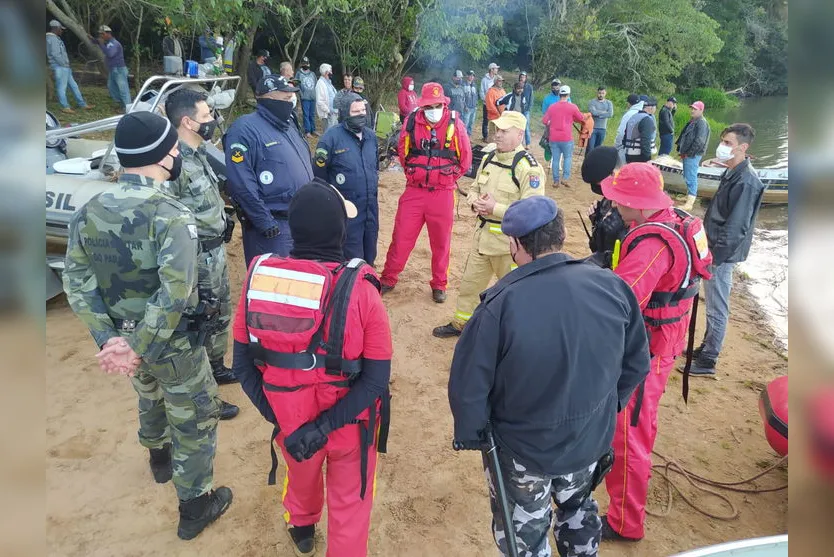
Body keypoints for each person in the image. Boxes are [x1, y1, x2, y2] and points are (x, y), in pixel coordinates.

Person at [448, 195, 651, 557]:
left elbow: (469, 385)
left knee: (525, 530)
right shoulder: (612, 286)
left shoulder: (499, 305)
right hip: (589, 439)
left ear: (514, 244)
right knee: (578, 509)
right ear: (562, 234)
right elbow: (636, 360)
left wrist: (474, 435)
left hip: (524, 449)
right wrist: (609, 408)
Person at [63, 111, 232, 540]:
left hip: (123, 340)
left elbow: (77, 283)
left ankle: (158, 459)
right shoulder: (171, 215)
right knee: (193, 416)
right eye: (172, 148)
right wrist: (137, 344)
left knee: (148, 394)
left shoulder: (89, 211)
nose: (177, 152)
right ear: (162, 156)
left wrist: (110, 339)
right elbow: (175, 293)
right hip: (170, 344)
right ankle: (195, 505)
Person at [232, 178, 392, 557]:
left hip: (289, 414)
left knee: (300, 474)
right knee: (351, 503)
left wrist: (285, 420)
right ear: (340, 230)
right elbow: (375, 380)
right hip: (350, 422)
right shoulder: (364, 291)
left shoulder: (260, 280)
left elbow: (242, 365)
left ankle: (302, 526)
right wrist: (323, 427)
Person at [598, 163, 712, 543]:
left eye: (617, 199)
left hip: (648, 349)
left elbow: (621, 300)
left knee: (628, 434)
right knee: (640, 424)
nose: (611, 204)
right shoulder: (674, 219)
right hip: (669, 337)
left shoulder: (653, 244)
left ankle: (625, 523)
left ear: (637, 203)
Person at [164, 89, 242, 418]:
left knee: (220, 315)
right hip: (196, 258)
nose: (212, 120)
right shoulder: (174, 163)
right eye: (207, 115)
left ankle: (215, 367)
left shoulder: (199, 154)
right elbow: (169, 217)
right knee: (200, 322)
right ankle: (203, 398)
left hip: (215, 253)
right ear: (188, 121)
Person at [432, 111, 545, 338]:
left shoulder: (529, 169)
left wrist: (496, 209)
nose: (497, 135)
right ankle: (461, 324)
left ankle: (514, 337)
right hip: (481, 237)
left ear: (519, 134)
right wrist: (475, 202)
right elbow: (474, 188)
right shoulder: (489, 157)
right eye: (496, 130)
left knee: (514, 294)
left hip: (510, 246)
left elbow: (532, 212)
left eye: (504, 131)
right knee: (469, 285)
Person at [380, 82, 472, 303]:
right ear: (422, 106)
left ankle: (439, 284)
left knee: (441, 243)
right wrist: (417, 176)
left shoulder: (455, 125)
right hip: (415, 192)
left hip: (442, 193)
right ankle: (388, 278)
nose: (433, 111)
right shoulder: (411, 123)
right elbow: (404, 154)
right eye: (429, 106)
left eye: (437, 106)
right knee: (401, 238)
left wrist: (447, 178)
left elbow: (465, 160)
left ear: (444, 104)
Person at [690, 124, 766, 377]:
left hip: (722, 254)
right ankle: (705, 347)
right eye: (722, 141)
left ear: (743, 148)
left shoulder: (747, 181)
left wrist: (715, 258)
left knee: (716, 306)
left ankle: (709, 359)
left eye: (728, 143)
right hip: (712, 247)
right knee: (712, 303)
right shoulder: (733, 171)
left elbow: (736, 228)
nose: (722, 146)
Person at [224, 75, 314, 267]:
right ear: (268, 98)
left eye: (291, 98)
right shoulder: (245, 129)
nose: (290, 102)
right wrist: (264, 221)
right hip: (274, 226)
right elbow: (241, 181)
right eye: (285, 98)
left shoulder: (289, 125)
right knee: (274, 286)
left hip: (300, 221)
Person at [314, 92, 379, 264]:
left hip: (370, 208)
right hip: (347, 211)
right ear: (344, 113)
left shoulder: (371, 137)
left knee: (370, 252)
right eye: (355, 112)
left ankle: (366, 286)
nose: (361, 115)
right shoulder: (330, 139)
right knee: (350, 256)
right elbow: (319, 178)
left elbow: (375, 170)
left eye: (363, 110)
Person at [542, 84, 584, 187]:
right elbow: (581, 118)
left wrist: (551, 123)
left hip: (554, 137)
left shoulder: (552, 107)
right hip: (566, 137)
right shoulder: (572, 107)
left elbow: (544, 120)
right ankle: (565, 178)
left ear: (560, 94)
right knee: (568, 157)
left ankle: (556, 181)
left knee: (555, 159)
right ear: (568, 95)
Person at [47, 19, 92, 113]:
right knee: (62, 87)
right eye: (61, 29)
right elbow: (56, 54)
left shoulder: (54, 39)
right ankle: (65, 107)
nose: (62, 31)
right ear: (56, 28)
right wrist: (64, 64)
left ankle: (82, 104)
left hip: (64, 67)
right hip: (60, 67)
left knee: (74, 86)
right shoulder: (53, 39)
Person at [676, 100, 711, 210]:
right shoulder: (693, 121)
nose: (692, 110)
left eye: (695, 109)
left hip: (693, 154)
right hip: (688, 153)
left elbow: (700, 141)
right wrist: (680, 149)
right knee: (687, 175)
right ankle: (688, 196)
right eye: (692, 108)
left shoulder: (701, 123)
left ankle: (689, 204)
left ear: (701, 110)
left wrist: (689, 154)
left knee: (691, 176)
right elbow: (685, 136)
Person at [94, 25, 131, 111]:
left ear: (108, 33)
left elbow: (110, 54)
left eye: (102, 34)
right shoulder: (109, 43)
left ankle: (128, 109)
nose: (101, 36)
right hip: (113, 70)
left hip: (119, 70)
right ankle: (123, 105)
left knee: (123, 90)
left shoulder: (114, 43)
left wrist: (101, 44)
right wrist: (93, 40)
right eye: (100, 34)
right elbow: (98, 42)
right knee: (112, 87)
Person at [623, 96, 657, 163]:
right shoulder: (647, 119)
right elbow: (645, 140)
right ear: (651, 107)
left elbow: (625, 136)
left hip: (629, 154)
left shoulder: (634, 117)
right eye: (655, 107)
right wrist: (647, 158)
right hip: (640, 156)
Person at [614, 94, 644, 164]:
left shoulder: (629, 114)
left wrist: (617, 146)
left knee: (620, 170)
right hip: (639, 149)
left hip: (626, 147)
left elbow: (621, 132)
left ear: (628, 103)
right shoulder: (644, 114)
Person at [295, 56, 318, 138]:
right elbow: (296, 84)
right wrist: (301, 94)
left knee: (312, 114)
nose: (306, 65)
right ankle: (307, 131)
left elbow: (315, 83)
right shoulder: (298, 74)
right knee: (306, 114)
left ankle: (313, 130)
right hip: (305, 98)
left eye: (307, 63)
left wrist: (314, 93)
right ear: (301, 64)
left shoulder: (312, 74)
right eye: (304, 63)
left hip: (312, 97)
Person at [587, 87, 614, 154]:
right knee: (590, 148)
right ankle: (587, 162)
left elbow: (610, 114)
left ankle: (595, 163)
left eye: (603, 93)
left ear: (605, 93)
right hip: (592, 128)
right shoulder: (592, 102)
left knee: (598, 149)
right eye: (599, 93)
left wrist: (598, 114)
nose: (601, 95)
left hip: (602, 129)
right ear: (597, 92)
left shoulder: (609, 103)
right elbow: (593, 112)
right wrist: (604, 112)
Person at [316, 63, 338, 132]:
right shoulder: (320, 84)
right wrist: (328, 111)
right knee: (328, 135)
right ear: (326, 72)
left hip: (334, 113)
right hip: (328, 115)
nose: (331, 73)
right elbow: (320, 101)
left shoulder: (329, 82)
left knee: (334, 134)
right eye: (330, 71)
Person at [480, 62, 499, 141]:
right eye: (496, 68)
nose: (497, 70)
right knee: (486, 120)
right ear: (491, 69)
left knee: (496, 120)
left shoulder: (497, 79)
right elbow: (481, 92)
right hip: (487, 104)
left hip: (495, 105)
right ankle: (485, 136)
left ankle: (495, 136)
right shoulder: (484, 80)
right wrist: (487, 101)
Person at [484, 75, 506, 140]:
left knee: (500, 135)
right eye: (499, 81)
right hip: (494, 118)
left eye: (502, 81)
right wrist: (498, 114)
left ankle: (499, 149)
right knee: (492, 136)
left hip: (502, 117)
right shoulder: (490, 92)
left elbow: (506, 102)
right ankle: (491, 149)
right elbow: (490, 106)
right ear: (495, 82)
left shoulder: (502, 91)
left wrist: (504, 113)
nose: (501, 82)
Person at [518, 71, 534, 148]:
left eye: (523, 77)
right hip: (519, 109)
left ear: (526, 78)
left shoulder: (529, 87)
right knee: (518, 126)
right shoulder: (517, 86)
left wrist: (529, 108)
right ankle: (519, 143)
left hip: (526, 109)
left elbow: (531, 98)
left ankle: (528, 143)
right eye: (521, 77)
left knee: (526, 126)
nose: (522, 78)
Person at [462, 70, 478, 136]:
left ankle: (468, 137)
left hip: (474, 108)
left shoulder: (474, 85)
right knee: (465, 124)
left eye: (473, 76)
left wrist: (476, 105)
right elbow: (462, 97)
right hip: (467, 108)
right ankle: (463, 137)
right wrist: (465, 106)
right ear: (467, 76)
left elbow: (476, 95)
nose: (471, 77)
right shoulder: (463, 85)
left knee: (471, 124)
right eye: (470, 75)